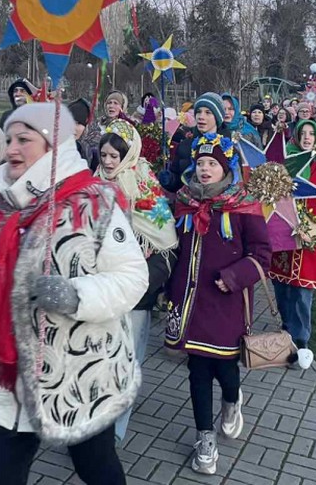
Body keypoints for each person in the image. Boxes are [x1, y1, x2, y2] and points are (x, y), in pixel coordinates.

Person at [0, 103, 147, 485]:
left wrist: (77, 295)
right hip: (4, 375)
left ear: (53, 146)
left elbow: (132, 276)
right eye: (10, 138)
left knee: (98, 470)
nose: (11, 148)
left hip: (79, 375)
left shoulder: (94, 203)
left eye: (24, 139)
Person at [165, 132, 271, 475]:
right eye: (201, 163)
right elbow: (174, 248)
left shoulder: (243, 204)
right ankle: (205, 439)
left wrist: (235, 276)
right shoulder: (184, 201)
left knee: (225, 368)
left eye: (212, 163)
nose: (205, 169)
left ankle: (231, 399)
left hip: (226, 303)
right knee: (197, 370)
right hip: (191, 302)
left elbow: (262, 255)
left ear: (226, 168)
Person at [96, 120, 178, 444]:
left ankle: (114, 431)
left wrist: (141, 275)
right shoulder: (95, 182)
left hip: (137, 289)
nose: (108, 162)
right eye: (104, 155)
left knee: (128, 358)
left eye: (114, 156)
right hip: (101, 286)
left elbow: (164, 237)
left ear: (128, 154)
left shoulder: (143, 184)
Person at [267, 119, 316, 371]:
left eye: (312, 133)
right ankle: (286, 331)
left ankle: (300, 341)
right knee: (282, 287)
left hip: (311, 239)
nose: (307, 137)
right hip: (283, 239)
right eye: (303, 133)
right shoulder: (284, 163)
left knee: (302, 292)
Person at [161, 92, 225, 193]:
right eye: (198, 112)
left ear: (217, 117)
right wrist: (170, 180)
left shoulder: (227, 148)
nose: (201, 116)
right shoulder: (184, 146)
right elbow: (177, 183)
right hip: (188, 201)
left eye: (208, 112)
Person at [68, 97, 99, 170]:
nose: (73, 128)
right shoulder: (62, 147)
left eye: (78, 123)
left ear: (88, 125)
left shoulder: (99, 151)